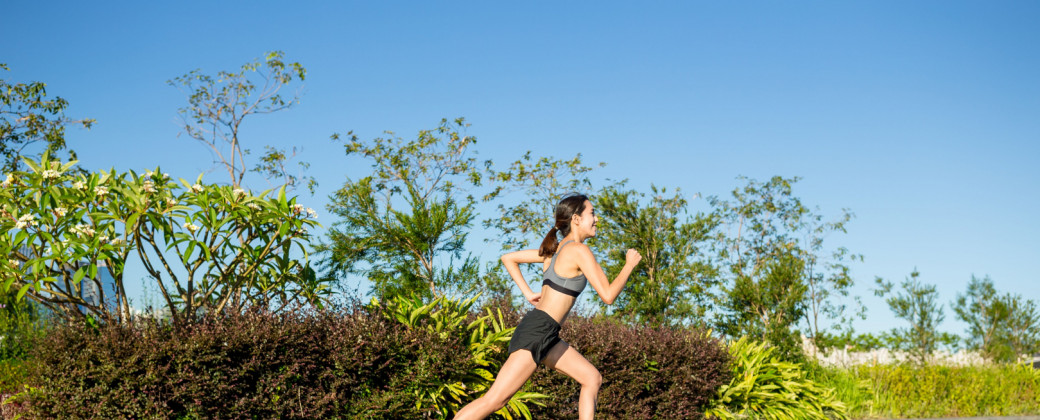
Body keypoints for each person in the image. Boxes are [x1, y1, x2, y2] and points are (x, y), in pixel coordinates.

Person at [454, 193, 642, 420]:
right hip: (538, 331)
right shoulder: (578, 251)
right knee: (495, 400)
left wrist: (527, 293)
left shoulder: (554, 251)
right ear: (576, 219)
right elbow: (608, 295)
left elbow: (508, 258)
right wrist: (629, 265)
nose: (596, 219)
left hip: (546, 333)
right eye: (591, 213)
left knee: (591, 378)